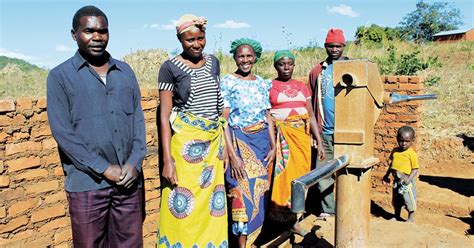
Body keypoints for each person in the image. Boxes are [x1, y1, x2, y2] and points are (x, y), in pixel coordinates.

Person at [46, 6, 146, 247]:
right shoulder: (60, 76)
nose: (97, 37)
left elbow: (138, 122)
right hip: (87, 185)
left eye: (103, 31)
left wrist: (134, 163)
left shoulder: (124, 71)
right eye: (89, 31)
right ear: (74, 34)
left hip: (129, 182)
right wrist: (103, 168)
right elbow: (63, 133)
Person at [157, 14, 228, 247]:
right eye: (190, 40)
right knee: (182, 201)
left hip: (213, 145)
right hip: (186, 146)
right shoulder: (169, 68)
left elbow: (218, 108)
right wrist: (168, 159)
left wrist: (224, 148)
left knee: (211, 203)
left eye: (201, 38)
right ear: (180, 40)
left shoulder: (214, 62)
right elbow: (164, 116)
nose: (196, 44)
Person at [221, 38, 276, 247]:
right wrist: (232, 155)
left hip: (261, 144)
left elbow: (267, 116)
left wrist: (273, 146)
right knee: (241, 195)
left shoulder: (262, 83)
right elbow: (223, 120)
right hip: (239, 142)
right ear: (235, 58)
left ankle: (252, 241)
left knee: (259, 193)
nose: (245, 60)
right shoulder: (228, 81)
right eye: (241, 56)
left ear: (255, 58)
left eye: (249, 56)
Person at [269, 50, 325, 236]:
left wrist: (319, 140)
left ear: (294, 65)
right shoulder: (268, 86)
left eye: (290, 64)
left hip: (301, 138)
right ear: (275, 66)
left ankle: (296, 219)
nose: (286, 67)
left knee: (301, 178)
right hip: (282, 139)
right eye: (281, 64)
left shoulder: (302, 87)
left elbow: (310, 115)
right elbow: (267, 114)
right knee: (282, 176)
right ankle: (280, 217)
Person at [308, 28, 349, 218]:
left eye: (338, 46)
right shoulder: (318, 70)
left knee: (348, 171)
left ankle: (348, 207)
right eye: (331, 46)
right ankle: (328, 210)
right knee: (323, 172)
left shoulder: (353, 67)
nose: (334, 49)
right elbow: (310, 101)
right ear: (325, 46)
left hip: (347, 131)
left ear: (344, 46)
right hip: (325, 131)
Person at [382, 126, 419, 222]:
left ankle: (411, 218)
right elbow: (392, 165)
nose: (404, 143)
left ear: (412, 141)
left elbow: (415, 169)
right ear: (397, 139)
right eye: (401, 140)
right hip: (396, 181)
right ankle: (396, 216)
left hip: (406, 182)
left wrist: (409, 179)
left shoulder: (412, 154)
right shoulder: (395, 151)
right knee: (396, 200)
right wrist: (386, 176)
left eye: (407, 141)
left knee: (409, 200)